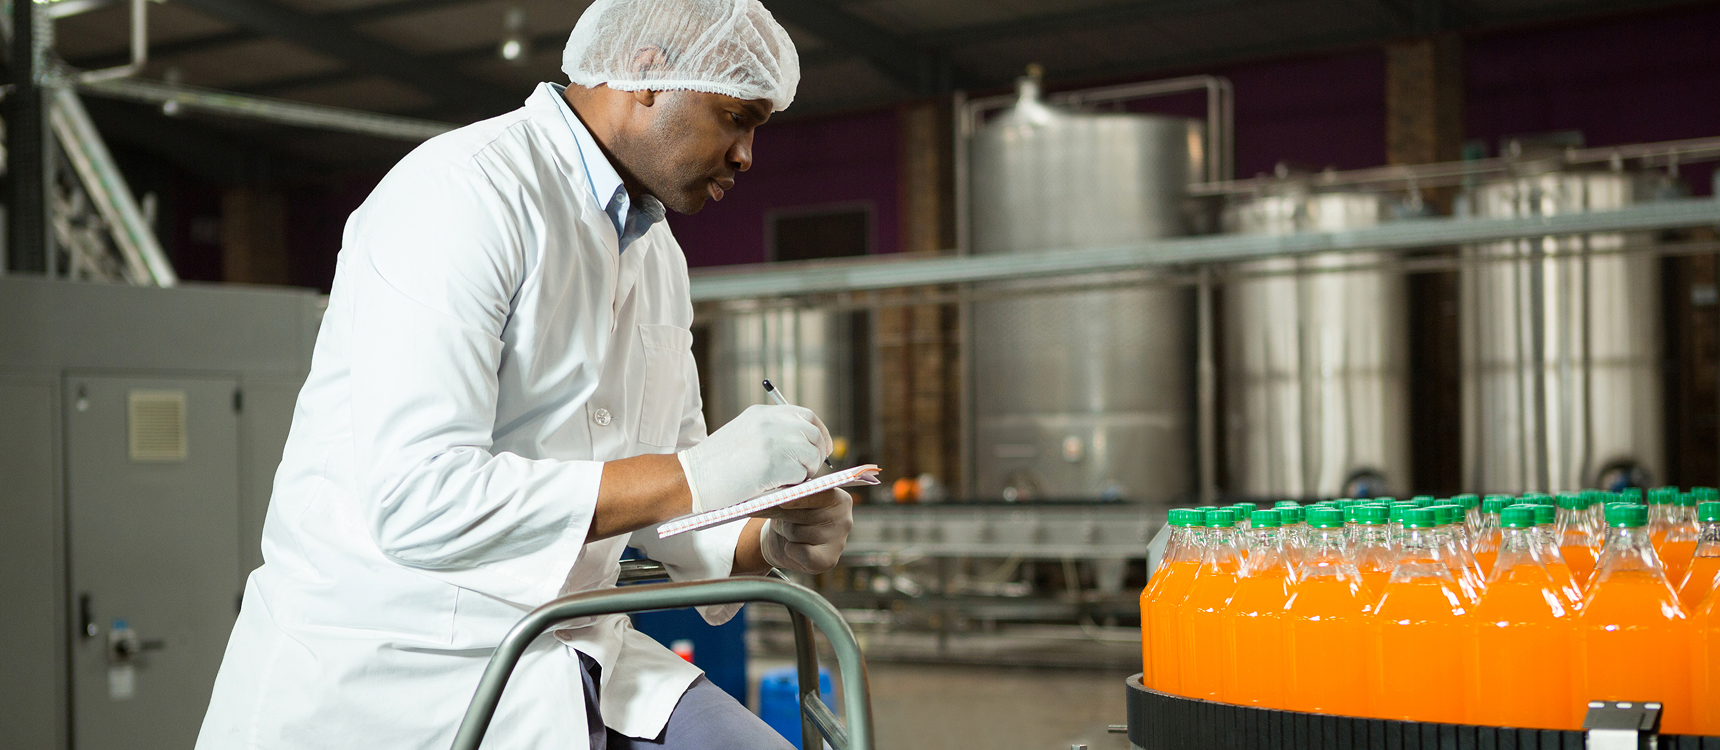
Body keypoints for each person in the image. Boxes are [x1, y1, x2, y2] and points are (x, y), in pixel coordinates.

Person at [194, 1, 848, 747]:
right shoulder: (462, 195)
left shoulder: (657, 251)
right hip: (404, 666)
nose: (746, 156)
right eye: (735, 118)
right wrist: (694, 474)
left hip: (578, 644)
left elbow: (668, 499)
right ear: (646, 74)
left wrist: (767, 538)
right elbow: (419, 499)